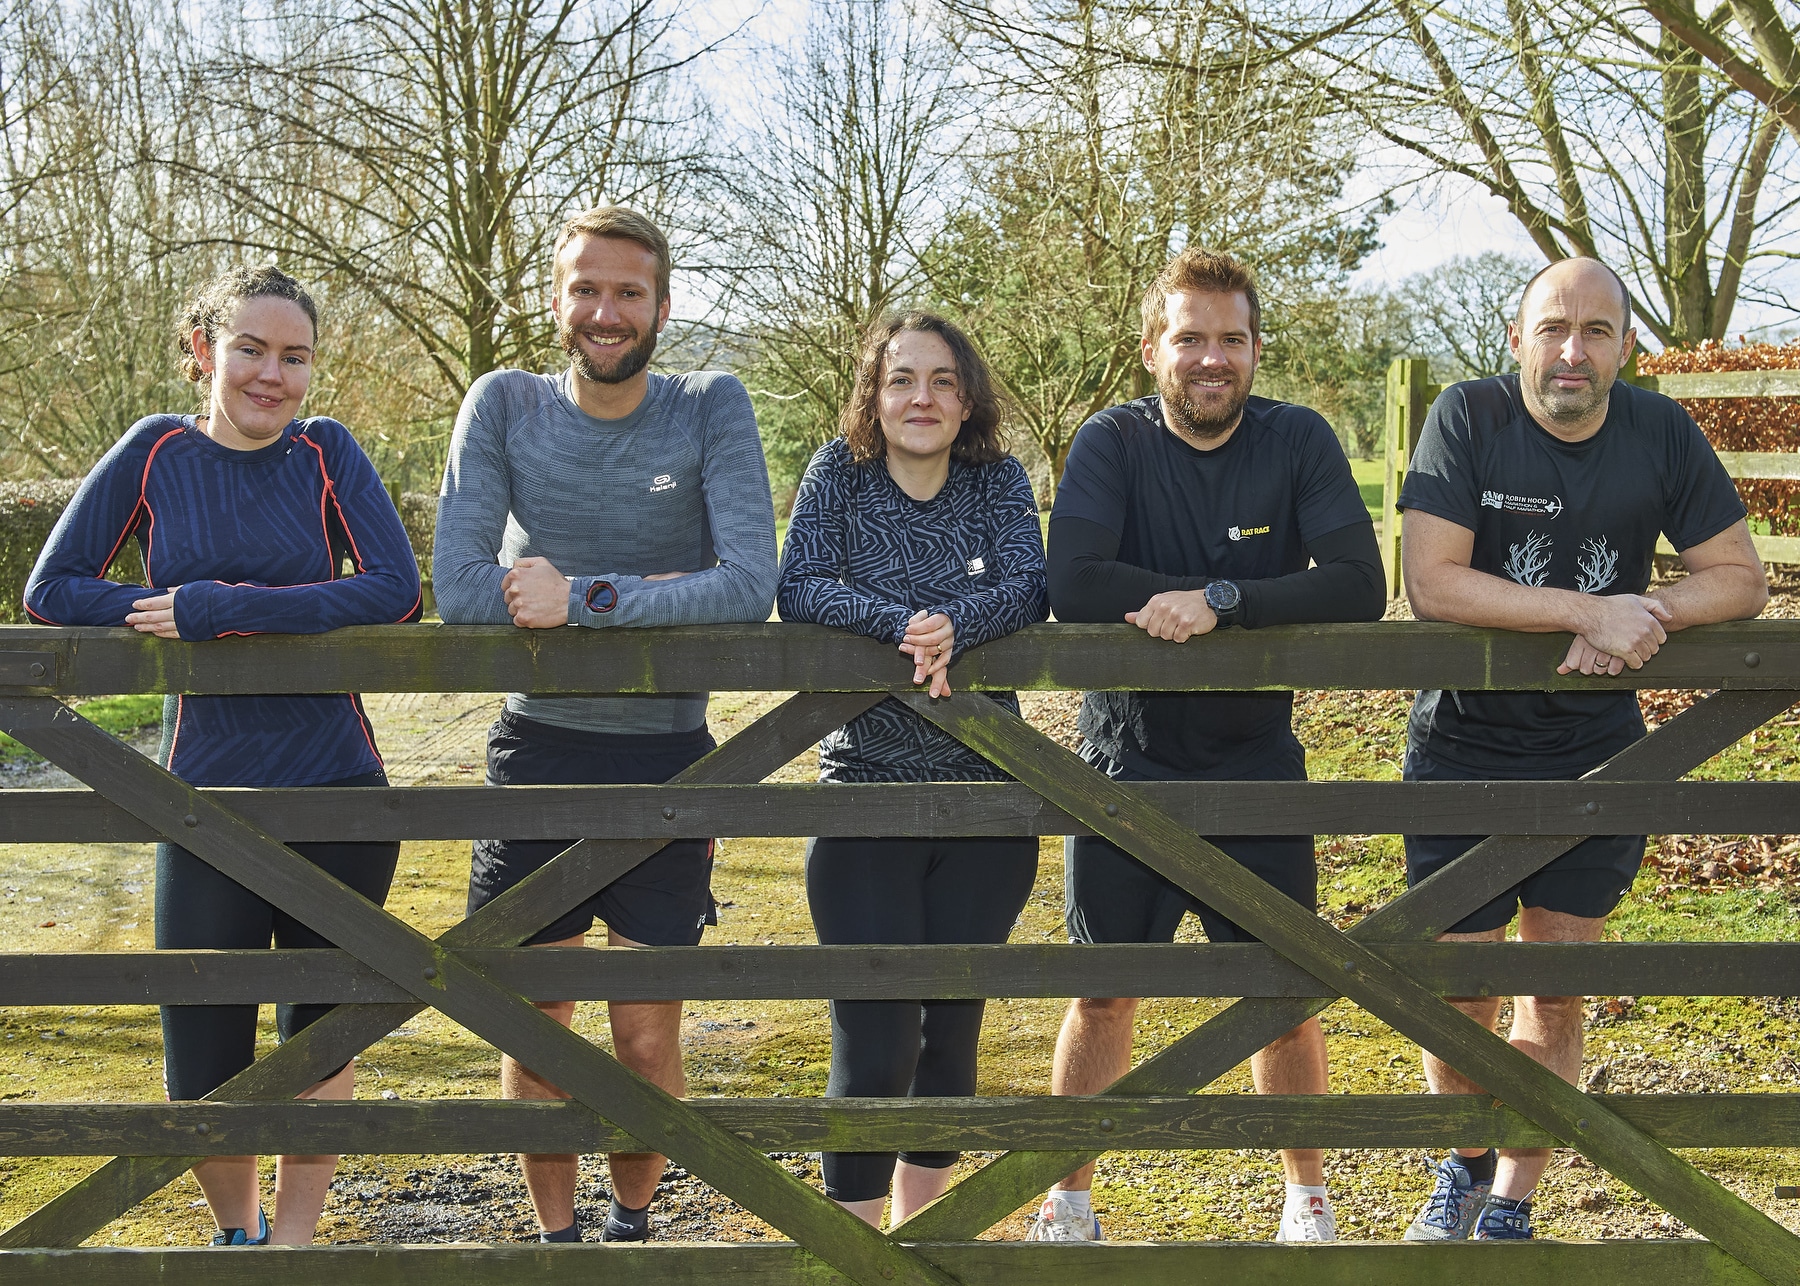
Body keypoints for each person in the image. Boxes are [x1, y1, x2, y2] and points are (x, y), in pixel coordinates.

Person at [23, 265, 422, 1246]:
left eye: (294, 356)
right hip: (201, 796)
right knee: (203, 1048)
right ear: (204, 349)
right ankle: (238, 1236)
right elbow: (53, 589)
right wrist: (153, 612)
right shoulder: (156, 449)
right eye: (250, 348)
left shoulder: (328, 452)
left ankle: (291, 1245)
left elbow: (396, 590)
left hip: (339, 786)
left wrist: (220, 609)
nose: (271, 375)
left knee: (317, 1037)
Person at [1396, 256, 1766, 1242]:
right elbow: (1433, 581)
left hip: (1600, 755)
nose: (1573, 349)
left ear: (1626, 349)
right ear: (1515, 339)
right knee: (1456, 991)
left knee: (1555, 989)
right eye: (1553, 327)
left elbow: (1739, 577)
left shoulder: (1660, 431)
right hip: (1462, 745)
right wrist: (1583, 610)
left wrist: (1651, 612)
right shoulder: (1466, 418)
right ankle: (1465, 1157)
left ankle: (1511, 1198)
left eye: (1597, 330)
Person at [431, 206, 777, 1244]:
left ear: (664, 305)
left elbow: (750, 582)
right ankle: (555, 1239)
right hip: (537, 749)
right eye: (586, 287)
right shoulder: (503, 403)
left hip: (669, 755)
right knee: (536, 1027)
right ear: (556, 298)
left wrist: (585, 596)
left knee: (641, 1036)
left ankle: (631, 1225)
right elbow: (457, 586)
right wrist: (667, 585)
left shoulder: (711, 403)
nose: (606, 310)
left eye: (629, 291)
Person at [1032, 247, 1385, 1244]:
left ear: (1256, 349)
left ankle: (1307, 1196)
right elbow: (1075, 579)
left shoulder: (1297, 439)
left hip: (1256, 757)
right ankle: (1068, 1196)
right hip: (1125, 757)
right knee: (1102, 989)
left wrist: (1220, 600)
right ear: (1154, 348)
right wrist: (1209, 592)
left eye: (1231, 338)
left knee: (1283, 987)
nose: (1211, 357)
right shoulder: (1110, 442)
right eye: (1191, 337)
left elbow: (1359, 581)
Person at [776, 310, 1048, 1228]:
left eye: (941, 380)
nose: (921, 397)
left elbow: (1028, 584)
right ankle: (857, 1247)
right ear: (873, 394)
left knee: (950, 1030)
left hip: (988, 801)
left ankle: (918, 1236)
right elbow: (799, 584)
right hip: (864, 798)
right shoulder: (836, 475)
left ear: (966, 396)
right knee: (876, 1036)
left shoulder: (999, 480)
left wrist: (954, 626)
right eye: (901, 379)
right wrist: (903, 623)